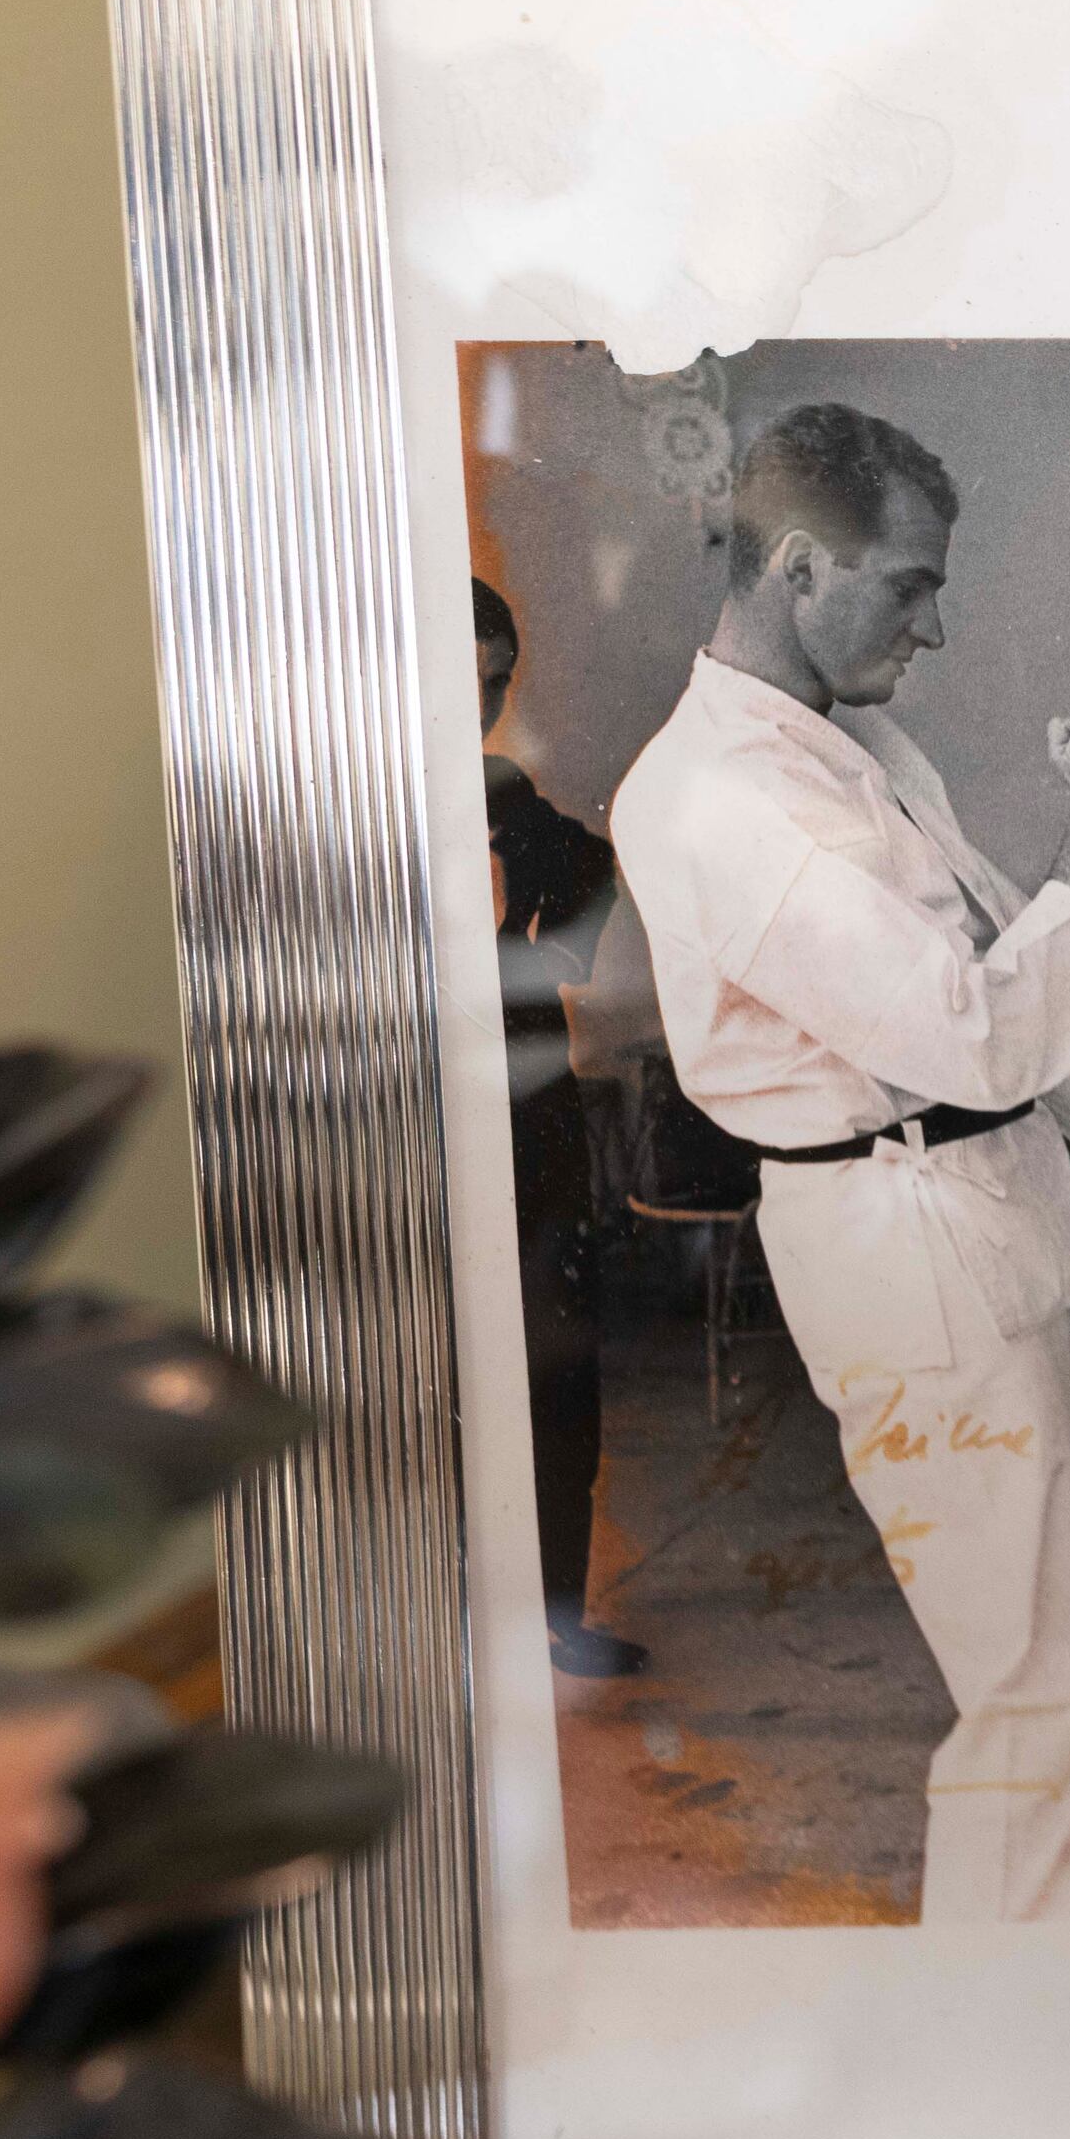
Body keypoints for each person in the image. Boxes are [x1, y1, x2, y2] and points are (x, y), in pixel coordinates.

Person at [610, 404, 1070, 1922]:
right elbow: (974, 1032)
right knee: (1035, 1668)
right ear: (797, 566)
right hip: (903, 1243)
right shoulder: (721, 797)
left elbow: (991, 937)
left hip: (992, 1201)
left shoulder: (851, 741)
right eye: (911, 584)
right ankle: (1019, 1999)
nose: (938, 621)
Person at [476, 578, 639, 1683]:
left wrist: (543, 943)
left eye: (498, 682)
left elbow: (592, 862)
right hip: (428, 1129)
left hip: (529, 1123)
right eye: (462, 679)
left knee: (560, 1377)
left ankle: (558, 1615)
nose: (480, 703)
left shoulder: (500, 786)